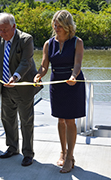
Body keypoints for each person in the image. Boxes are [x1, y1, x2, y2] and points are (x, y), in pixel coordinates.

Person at [0, 12, 42, 166]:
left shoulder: (26, 39)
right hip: (5, 87)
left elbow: (26, 62)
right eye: (0, 30)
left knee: (26, 120)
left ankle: (28, 153)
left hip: (22, 86)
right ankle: (12, 147)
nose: (2, 33)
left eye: (5, 29)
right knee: (7, 119)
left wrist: (15, 77)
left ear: (14, 27)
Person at [33, 10, 85, 173]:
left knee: (70, 120)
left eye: (60, 25)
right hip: (57, 83)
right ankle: (63, 152)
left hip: (73, 82)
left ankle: (70, 157)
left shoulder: (77, 42)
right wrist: (38, 75)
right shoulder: (48, 44)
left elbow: (77, 64)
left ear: (67, 26)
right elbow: (44, 66)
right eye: (55, 25)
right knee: (60, 119)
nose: (56, 28)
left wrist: (73, 76)